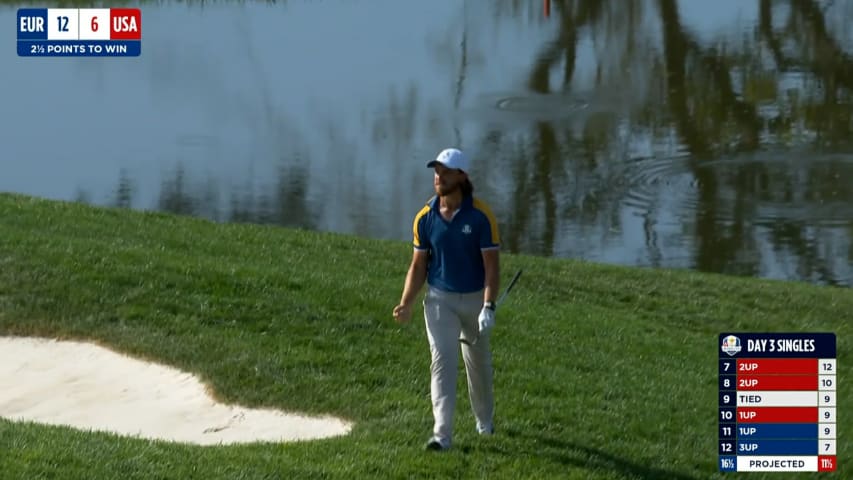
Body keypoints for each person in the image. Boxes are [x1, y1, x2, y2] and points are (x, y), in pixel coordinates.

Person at [392, 147, 501, 451]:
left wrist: (489, 306)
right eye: (436, 171)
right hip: (440, 299)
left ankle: (484, 422)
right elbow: (418, 265)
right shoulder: (425, 217)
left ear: (462, 176)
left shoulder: (481, 216)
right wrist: (407, 302)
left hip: (475, 298)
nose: (438, 177)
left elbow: (492, 267)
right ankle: (442, 435)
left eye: (445, 171)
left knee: (477, 363)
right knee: (442, 361)